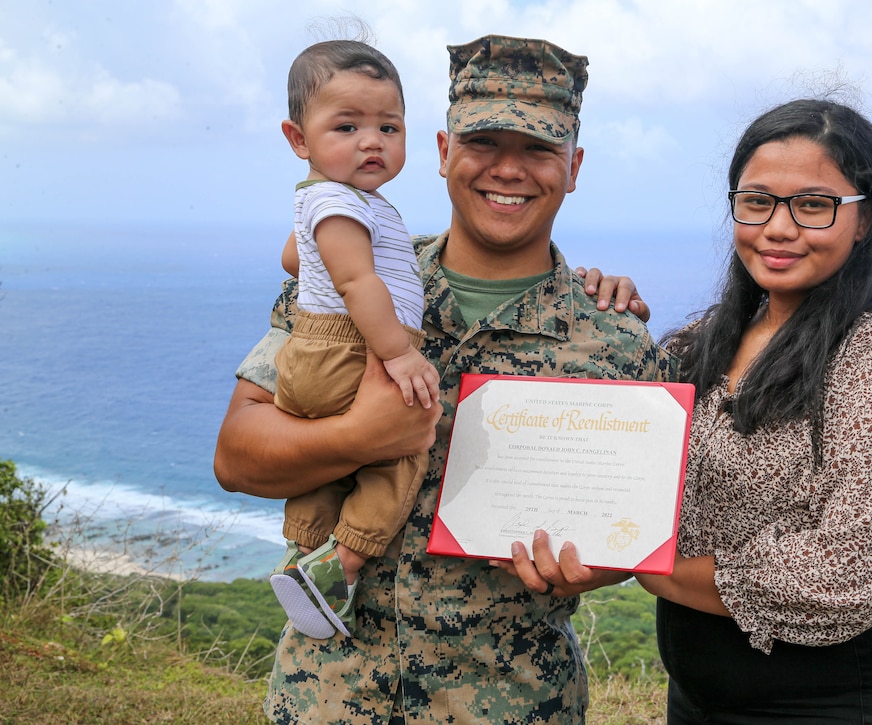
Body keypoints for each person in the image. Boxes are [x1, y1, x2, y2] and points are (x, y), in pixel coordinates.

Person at [214, 34, 675, 724]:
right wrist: (357, 435)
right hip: (328, 696)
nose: (509, 170)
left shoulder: (613, 341)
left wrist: (597, 564)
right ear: (441, 151)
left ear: (573, 166)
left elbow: (630, 537)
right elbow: (236, 454)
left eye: (539, 149)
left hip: (515, 702)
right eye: (485, 142)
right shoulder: (347, 284)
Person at [635, 99, 872, 723]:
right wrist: (600, 306)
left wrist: (665, 574)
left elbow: (849, 569)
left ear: (863, 220)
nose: (777, 228)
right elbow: (627, 454)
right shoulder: (704, 340)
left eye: (813, 205)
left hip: (835, 702)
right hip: (698, 697)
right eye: (756, 200)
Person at [266, 39, 441, 641]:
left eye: (388, 127)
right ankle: (342, 563)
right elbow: (355, 280)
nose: (372, 141)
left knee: (324, 472)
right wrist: (397, 351)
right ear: (298, 139)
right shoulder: (342, 205)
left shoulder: (322, 201)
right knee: (400, 454)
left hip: (313, 353)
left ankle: (300, 557)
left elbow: (297, 258)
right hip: (352, 349)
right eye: (347, 126)